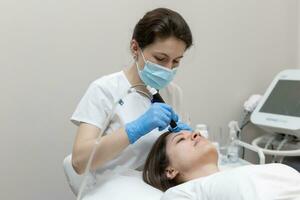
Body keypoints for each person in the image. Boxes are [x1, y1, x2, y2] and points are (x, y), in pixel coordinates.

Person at [70, 8, 193, 176]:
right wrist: (134, 129)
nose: (168, 68)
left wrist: (185, 139)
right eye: (161, 59)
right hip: (112, 189)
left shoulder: (174, 94)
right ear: (135, 48)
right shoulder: (105, 90)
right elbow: (79, 162)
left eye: (176, 61)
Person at [143, 131, 300, 200]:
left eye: (191, 133)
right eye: (181, 139)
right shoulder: (181, 193)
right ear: (170, 171)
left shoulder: (248, 169)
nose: (195, 133)